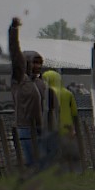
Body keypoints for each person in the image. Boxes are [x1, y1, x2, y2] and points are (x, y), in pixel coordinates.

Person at [7, 19, 48, 169]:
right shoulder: (20, 79)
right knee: (32, 161)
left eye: (40, 62)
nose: (38, 66)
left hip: (41, 126)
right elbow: (15, 54)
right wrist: (14, 30)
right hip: (25, 126)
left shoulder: (40, 82)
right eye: (34, 62)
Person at [42, 69, 76, 169]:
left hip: (52, 125)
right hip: (67, 126)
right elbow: (74, 111)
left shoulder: (47, 93)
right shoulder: (68, 93)